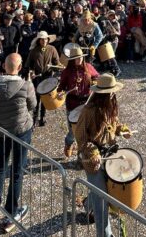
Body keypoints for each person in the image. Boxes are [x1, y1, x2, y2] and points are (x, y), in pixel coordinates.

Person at [73, 73, 131, 237]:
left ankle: (86, 202)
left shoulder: (111, 103)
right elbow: (81, 138)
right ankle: (105, 234)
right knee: (101, 202)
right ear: (102, 93)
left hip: (110, 155)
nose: (114, 94)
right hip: (93, 160)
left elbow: (114, 124)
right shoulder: (88, 111)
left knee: (105, 191)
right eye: (111, 92)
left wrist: (122, 130)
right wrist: (93, 152)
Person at [0, 53, 36, 232]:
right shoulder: (26, 85)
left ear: (4, 66)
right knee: (16, 171)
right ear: (20, 68)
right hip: (20, 130)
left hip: (0, 130)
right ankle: (11, 211)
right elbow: (32, 105)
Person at [58, 44, 99, 157]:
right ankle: (69, 143)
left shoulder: (88, 67)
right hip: (72, 103)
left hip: (87, 102)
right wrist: (60, 93)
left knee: (87, 130)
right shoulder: (66, 72)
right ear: (72, 59)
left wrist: (95, 81)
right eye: (77, 57)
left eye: (81, 57)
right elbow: (61, 87)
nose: (80, 59)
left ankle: (82, 155)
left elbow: (97, 76)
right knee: (73, 130)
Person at [25, 31, 60, 127]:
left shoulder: (52, 49)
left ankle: (43, 117)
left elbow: (57, 63)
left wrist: (55, 67)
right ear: (38, 40)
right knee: (37, 97)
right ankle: (34, 118)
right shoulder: (33, 51)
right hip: (37, 78)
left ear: (48, 39)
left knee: (45, 97)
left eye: (45, 39)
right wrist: (31, 72)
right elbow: (29, 65)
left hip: (48, 77)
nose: (44, 41)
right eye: (42, 39)